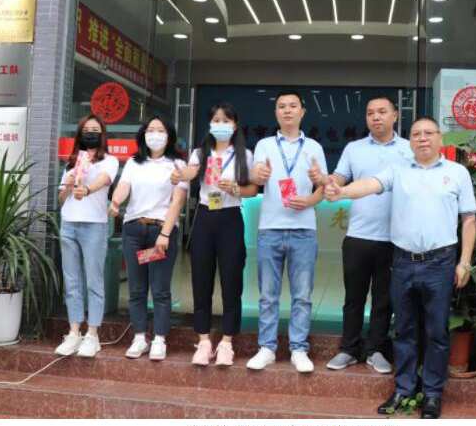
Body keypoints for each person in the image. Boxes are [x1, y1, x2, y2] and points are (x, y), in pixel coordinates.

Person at [324, 116, 476, 419]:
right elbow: (369, 184)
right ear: (410, 141)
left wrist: (465, 262)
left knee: (436, 332)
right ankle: (404, 390)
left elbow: (468, 219)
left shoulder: (457, 173)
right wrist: (341, 192)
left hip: (440, 263)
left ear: (440, 138)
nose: (422, 138)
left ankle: (432, 394)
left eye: (428, 133)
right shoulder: (398, 170)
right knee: (404, 330)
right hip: (403, 262)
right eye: (416, 134)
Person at [308, 96, 411, 374]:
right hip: (358, 236)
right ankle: (349, 349)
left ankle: (376, 351)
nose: (375, 117)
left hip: (395, 238)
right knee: (353, 298)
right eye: (370, 113)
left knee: (384, 300)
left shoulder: (409, 149)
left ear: (395, 115)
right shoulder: (354, 148)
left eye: (382, 112)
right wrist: (324, 180)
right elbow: (339, 180)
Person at [246, 90, 327, 373]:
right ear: (276, 113)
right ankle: (267, 348)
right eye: (282, 106)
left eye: (293, 106)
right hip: (270, 229)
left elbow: (323, 187)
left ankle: (299, 349)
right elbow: (255, 176)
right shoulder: (265, 145)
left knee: (302, 295)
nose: (287, 110)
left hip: (304, 229)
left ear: (302, 112)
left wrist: (311, 198)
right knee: (268, 295)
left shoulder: (314, 147)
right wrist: (258, 175)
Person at [171, 103, 258, 366]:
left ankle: (227, 342)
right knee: (201, 279)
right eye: (216, 120)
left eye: (226, 120)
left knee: (231, 280)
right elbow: (190, 172)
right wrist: (181, 174)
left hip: (231, 218)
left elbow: (253, 189)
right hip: (205, 217)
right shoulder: (200, 152)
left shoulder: (245, 154)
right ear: (210, 124)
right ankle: (204, 341)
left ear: (235, 125)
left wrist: (235, 188)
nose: (221, 125)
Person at [108, 115, 189, 361]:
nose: (155, 134)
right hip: (134, 230)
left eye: (160, 130)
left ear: (169, 135)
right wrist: (115, 201)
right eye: (150, 129)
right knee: (136, 288)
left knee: (160, 289)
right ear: (143, 134)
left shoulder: (177, 164)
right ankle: (139, 337)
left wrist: (165, 233)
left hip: (160, 232)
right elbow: (124, 185)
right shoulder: (135, 162)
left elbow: (178, 200)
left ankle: (160, 339)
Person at [54, 115, 119, 358]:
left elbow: (104, 181)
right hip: (69, 224)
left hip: (94, 226)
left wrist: (87, 189)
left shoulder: (109, 161)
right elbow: (61, 198)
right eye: (86, 129)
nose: (90, 133)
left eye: (95, 129)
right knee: (71, 281)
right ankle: (74, 332)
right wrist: (70, 185)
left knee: (94, 281)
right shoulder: (72, 162)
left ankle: (92, 334)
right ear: (80, 134)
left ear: (102, 134)